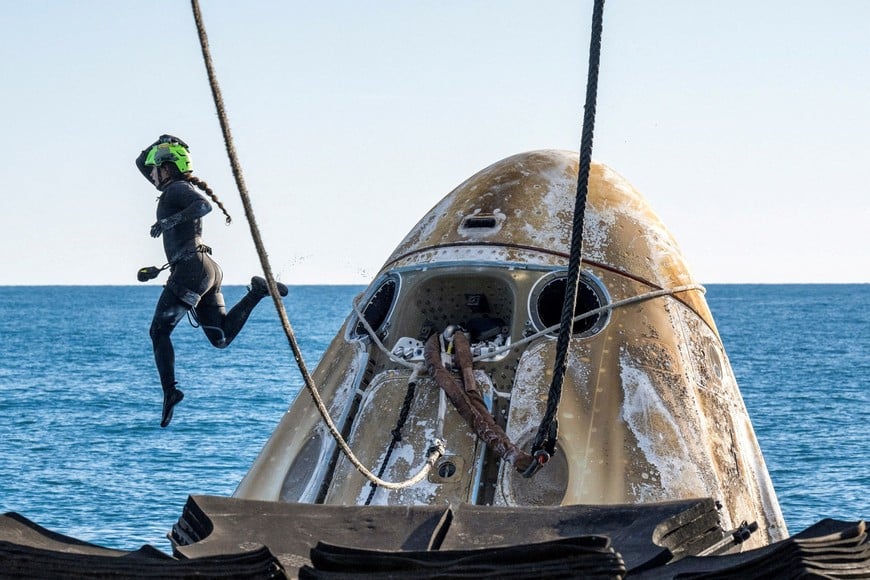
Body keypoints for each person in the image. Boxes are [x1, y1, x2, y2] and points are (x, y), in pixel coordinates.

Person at [135, 134, 288, 428]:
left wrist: (167, 222)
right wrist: (159, 141)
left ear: (167, 168)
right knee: (221, 338)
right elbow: (141, 163)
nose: (151, 174)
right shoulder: (173, 186)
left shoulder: (177, 188)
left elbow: (203, 207)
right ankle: (256, 292)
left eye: (157, 168)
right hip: (206, 269)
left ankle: (170, 391)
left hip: (193, 268)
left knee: (159, 330)